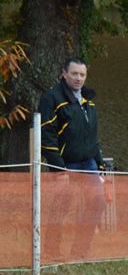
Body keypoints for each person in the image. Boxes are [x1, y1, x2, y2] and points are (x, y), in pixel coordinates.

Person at [38, 57, 107, 260]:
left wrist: (100, 162)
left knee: (98, 202)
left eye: (82, 74)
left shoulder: (88, 99)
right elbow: (47, 135)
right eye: (74, 73)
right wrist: (59, 170)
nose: (78, 78)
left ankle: (80, 252)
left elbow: (92, 134)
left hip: (88, 162)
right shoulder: (51, 98)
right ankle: (51, 251)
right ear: (64, 73)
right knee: (61, 206)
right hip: (65, 164)